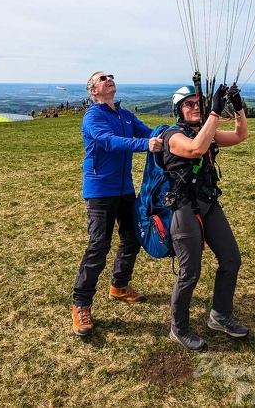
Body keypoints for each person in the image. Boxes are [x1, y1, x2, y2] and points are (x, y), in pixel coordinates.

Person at [72, 71, 163, 336]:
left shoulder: (124, 114)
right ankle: (81, 304)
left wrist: (172, 136)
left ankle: (119, 286)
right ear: (93, 91)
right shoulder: (93, 116)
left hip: (124, 189)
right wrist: (146, 144)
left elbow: (149, 132)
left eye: (110, 76)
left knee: (132, 236)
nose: (108, 79)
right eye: (101, 78)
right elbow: (109, 142)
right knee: (98, 245)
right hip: (100, 190)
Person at [161, 82, 249, 351]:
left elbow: (240, 135)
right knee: (190, 272)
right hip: (184, 207)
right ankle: (179, 328)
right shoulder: (172, 136)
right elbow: (195, 149)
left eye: (197, 103)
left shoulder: (206, 133)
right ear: (178, 110)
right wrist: (213, 112)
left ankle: (220, 316)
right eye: (188, 104)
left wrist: (237, 107)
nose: (194, 107)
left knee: (231, 259)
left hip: (208, 203)